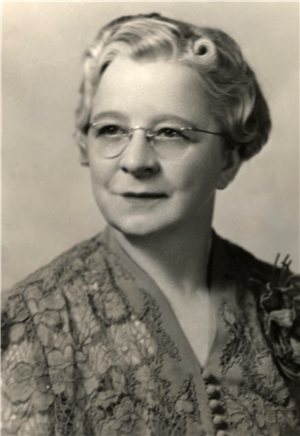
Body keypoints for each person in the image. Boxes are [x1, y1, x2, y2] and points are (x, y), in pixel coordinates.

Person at [1, 13, 299, 436]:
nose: (136, 161)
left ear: (228, 160)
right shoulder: (27, 323)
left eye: (171, 133)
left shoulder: (288, 308)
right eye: (110, 130)